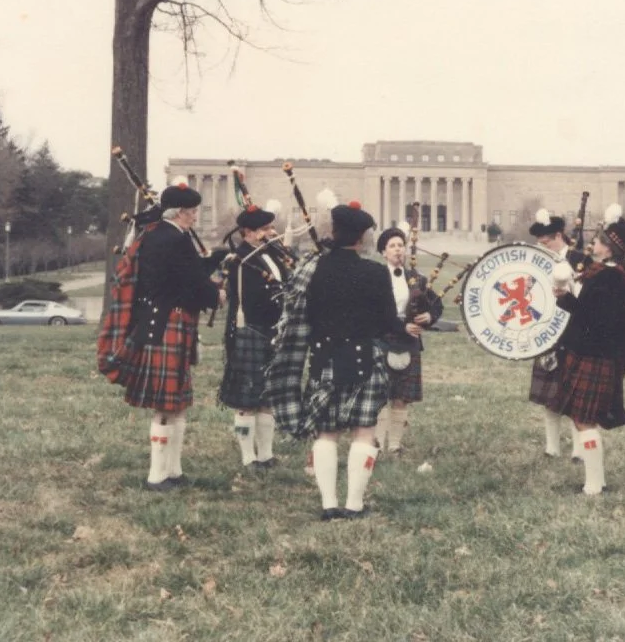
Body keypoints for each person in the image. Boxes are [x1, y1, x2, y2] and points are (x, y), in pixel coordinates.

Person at [264, 199, 413, 521]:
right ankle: (354, 506)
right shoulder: (375, 272)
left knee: (326, 433)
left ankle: (329, 505)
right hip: (365, 359)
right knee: (364, 431)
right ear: (361, 237)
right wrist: (407, 327)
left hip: (324, 359)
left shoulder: (313, 269)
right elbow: (388, 322)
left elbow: (303, 316)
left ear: (334, 231)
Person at [100, 183, 225, 491]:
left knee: (177, 403)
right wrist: (215, 295)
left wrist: (215, 260)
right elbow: (190, 282)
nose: (195, 217)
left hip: (168, 321)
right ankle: (157, 476)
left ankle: (174, 471)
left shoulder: (160, 235)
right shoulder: (173, 239)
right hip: (168, 323)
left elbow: (187, 273)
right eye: (192, 212)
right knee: (166, 406)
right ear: (179, 213)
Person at [551, 206, 625, 496]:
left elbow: (593, 318)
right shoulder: (612, 273)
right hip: (595, 353)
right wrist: (566, 298)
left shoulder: (609, 277)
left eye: (599, 240)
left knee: (584, 419)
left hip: (593, 355)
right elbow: (592, 312)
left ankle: (593, 484)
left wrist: (564, 298)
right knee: (583, 418)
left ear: (610, 247)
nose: (594, 243)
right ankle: (596, 481)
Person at [218, 205, 290, 470]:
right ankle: (248, 457)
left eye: (271, 227)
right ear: (248, 232)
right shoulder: (240, 260)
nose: (271, 232)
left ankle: (266, 455)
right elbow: (256, 299)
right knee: (246, 400)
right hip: (251, 330)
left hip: (273, 330)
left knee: (267, 397)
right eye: (265, 229)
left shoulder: (271, 254)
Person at [373, 224, 444, 455]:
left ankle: (394, 445)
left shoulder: (416, 279)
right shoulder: (375, 277)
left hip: (409, 341)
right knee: (380, 395)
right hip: (382, 339)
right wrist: (401, 326)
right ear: (383, 252)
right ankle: (376, 444)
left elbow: (436, 304)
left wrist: (429, 316)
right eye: (392, 246)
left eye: (401, 245)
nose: (398, 249)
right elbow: (372, 312)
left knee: (402, 397)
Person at [528, 209, 587, 461]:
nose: (543, 247)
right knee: (550, 397)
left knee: (575, 396)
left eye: (547, 242)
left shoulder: (579, 259)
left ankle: (579, 451)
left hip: (574, 332)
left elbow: (586, 299)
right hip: (547, 332)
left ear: (559, 236)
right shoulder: (537, 261)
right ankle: (551, 448)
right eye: (540, 243)